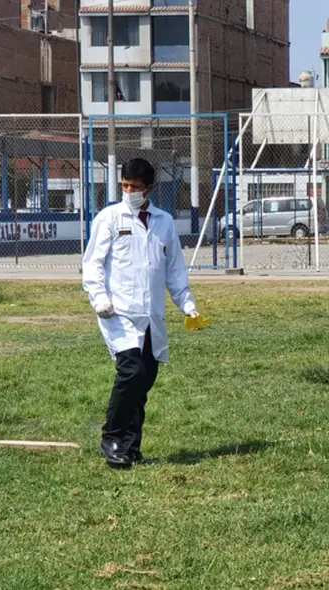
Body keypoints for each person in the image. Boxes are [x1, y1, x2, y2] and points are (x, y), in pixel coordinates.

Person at [83, 158, 201, 469]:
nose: (129, 191)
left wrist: (188, 306)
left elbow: (174, 271)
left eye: (135, 187)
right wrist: (99, 298)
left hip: (152, 316)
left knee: (145, 378)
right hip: (118, 313)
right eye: (124, 186)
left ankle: (131, 448)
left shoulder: (163, 222)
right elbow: (92, 263)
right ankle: (111, 438)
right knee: (131, 372)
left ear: (149, 188)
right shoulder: (109, 218)